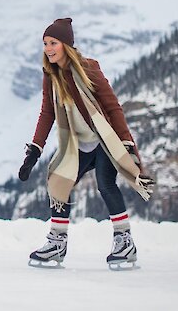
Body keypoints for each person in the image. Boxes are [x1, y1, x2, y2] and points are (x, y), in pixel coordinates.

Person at [18, 18, 155, 269]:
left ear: (66, 45)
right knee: (59, 181)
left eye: (53, 43)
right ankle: (57, 243)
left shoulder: (88, 69)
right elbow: (47, 113)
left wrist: (125, 142)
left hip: (103, 140)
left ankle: (124, 241)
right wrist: (34, 150)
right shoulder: (51, 76)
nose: (48, 48)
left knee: (105, 184)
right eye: (45, 43)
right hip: (77, 144)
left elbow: (113, 107)